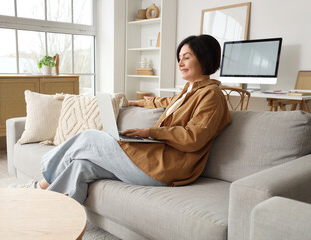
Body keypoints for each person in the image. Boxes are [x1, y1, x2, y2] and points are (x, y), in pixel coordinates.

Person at [19, 34, 232, 204]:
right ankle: (54, 213)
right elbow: (164, 102)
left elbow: (194, 137)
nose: (180, 63)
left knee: (90, 138)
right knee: (81, 165)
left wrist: (149, 132)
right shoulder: (189, 91)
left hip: (167, 168)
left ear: (204, 58)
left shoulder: (211, 95)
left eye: (187, 57)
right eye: (179, 58)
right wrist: (136, 102)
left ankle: (40, 185)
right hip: (155, 160)